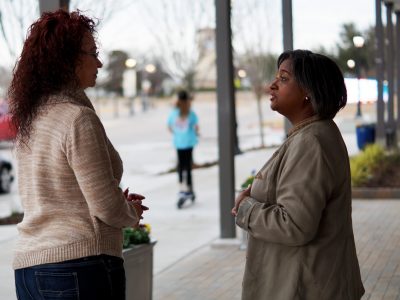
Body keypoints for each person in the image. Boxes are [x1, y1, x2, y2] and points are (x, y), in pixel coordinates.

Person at [8, 10, 147, 300]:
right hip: (79, 266)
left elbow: (61, 196)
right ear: (67, 58)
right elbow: (107, 208)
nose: (99, 62)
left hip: (30, 270)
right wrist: (130, 214)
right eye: (92, 53)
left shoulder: (34, 118)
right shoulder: (77, 119)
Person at [232, 50, 365, 300]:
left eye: (283, 79)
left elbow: (294, 225)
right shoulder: (310, 135)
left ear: (308, 92)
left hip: (304, 288)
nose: (272, 85)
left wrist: (246, 208)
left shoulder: (311, 142)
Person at [167, 90, 199, 207]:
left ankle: (183, 188)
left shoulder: (174, 113)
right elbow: (196, 127)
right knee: (187, 166)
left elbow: (169, 126)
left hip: (180, 143)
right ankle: (189, 189)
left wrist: (177, 134)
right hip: (189, 142)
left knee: (181, 166)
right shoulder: (191, 113)